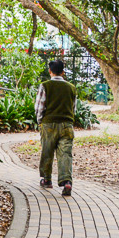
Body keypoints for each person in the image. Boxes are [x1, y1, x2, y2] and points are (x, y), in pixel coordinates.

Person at [35, 59, 76, 196]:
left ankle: (47, 180)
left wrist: (40, 122)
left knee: (47, 151)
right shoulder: (71, 88)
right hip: (67, 125)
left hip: (49, 124)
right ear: (63, 72)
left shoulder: (45, 85)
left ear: (50, 71)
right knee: (65, 154)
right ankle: (67, 182)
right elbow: (73, 108)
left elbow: (40, 107)